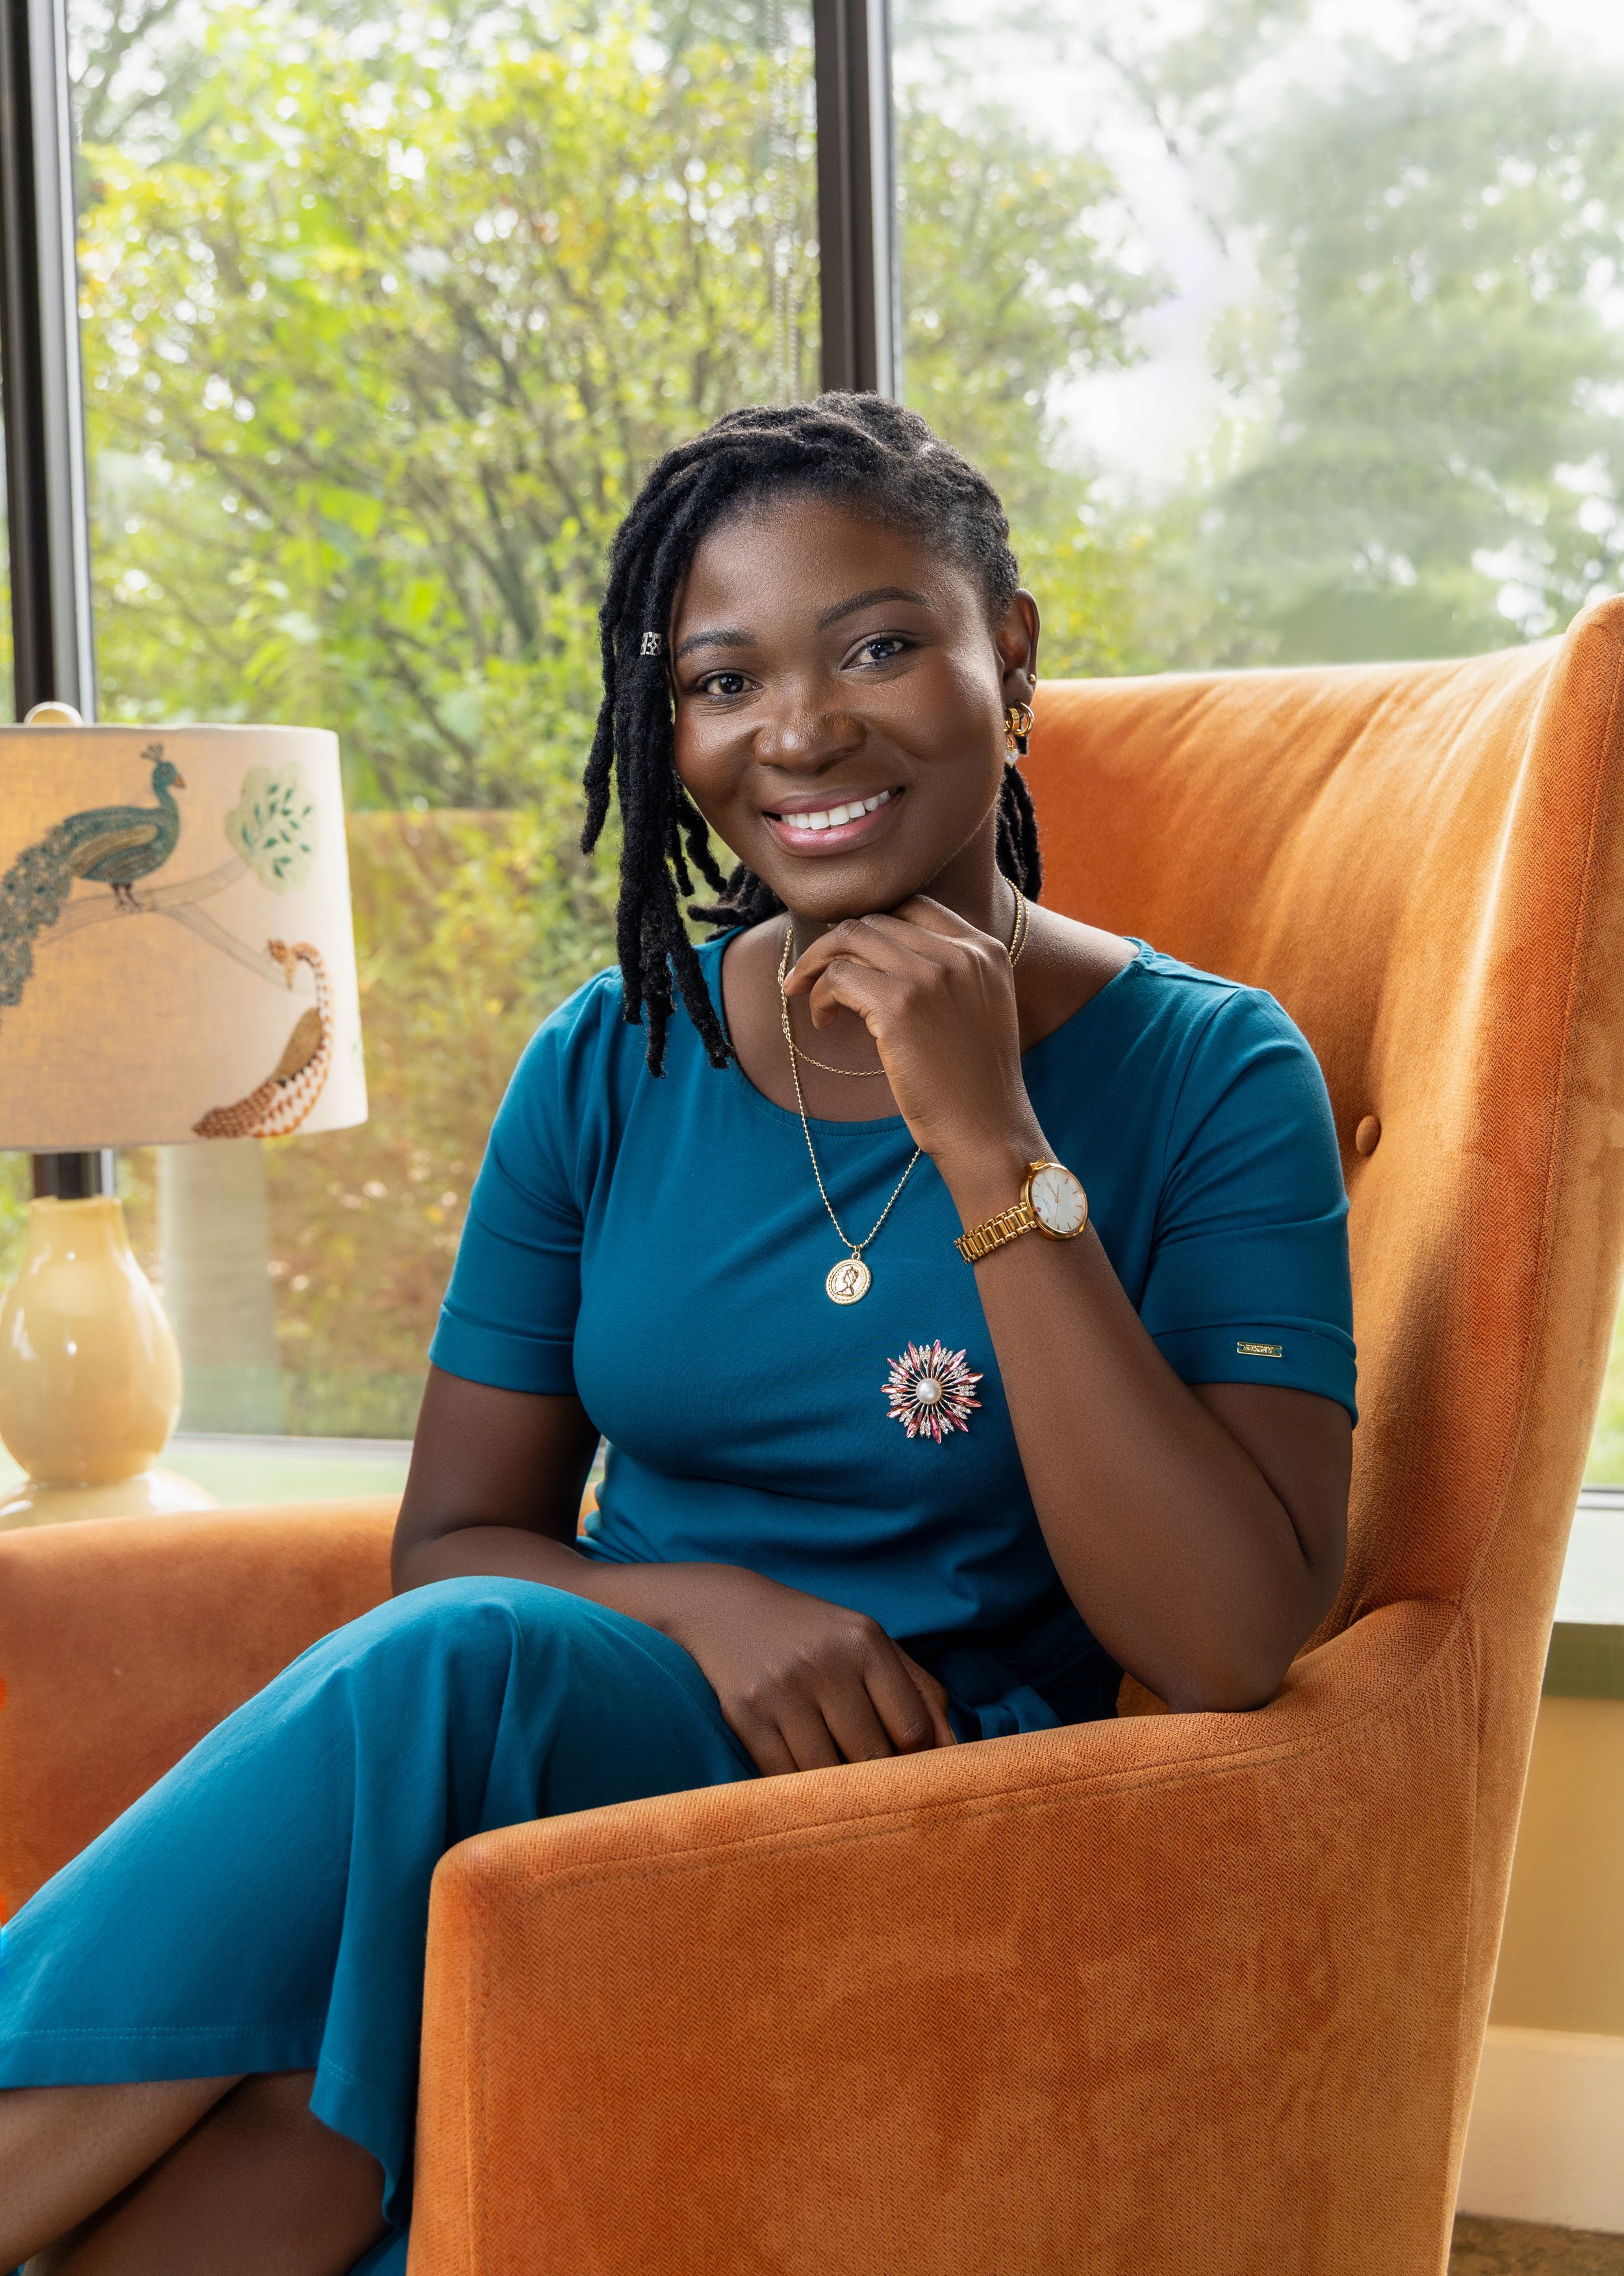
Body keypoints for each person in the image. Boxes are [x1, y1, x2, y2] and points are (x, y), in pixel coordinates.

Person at [0, 394, 1355, 2274]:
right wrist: (708, 1612)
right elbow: (452, 1540)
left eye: (874, 647)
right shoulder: (613, 1052)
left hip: (936, 1808)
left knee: (436, 1723)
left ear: (1011, 655)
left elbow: (1221, 1642)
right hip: (581, 1745)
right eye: (723, 681)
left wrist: (989, 1139)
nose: (796, 731)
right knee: (328, 2051)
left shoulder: (1212, 1071)